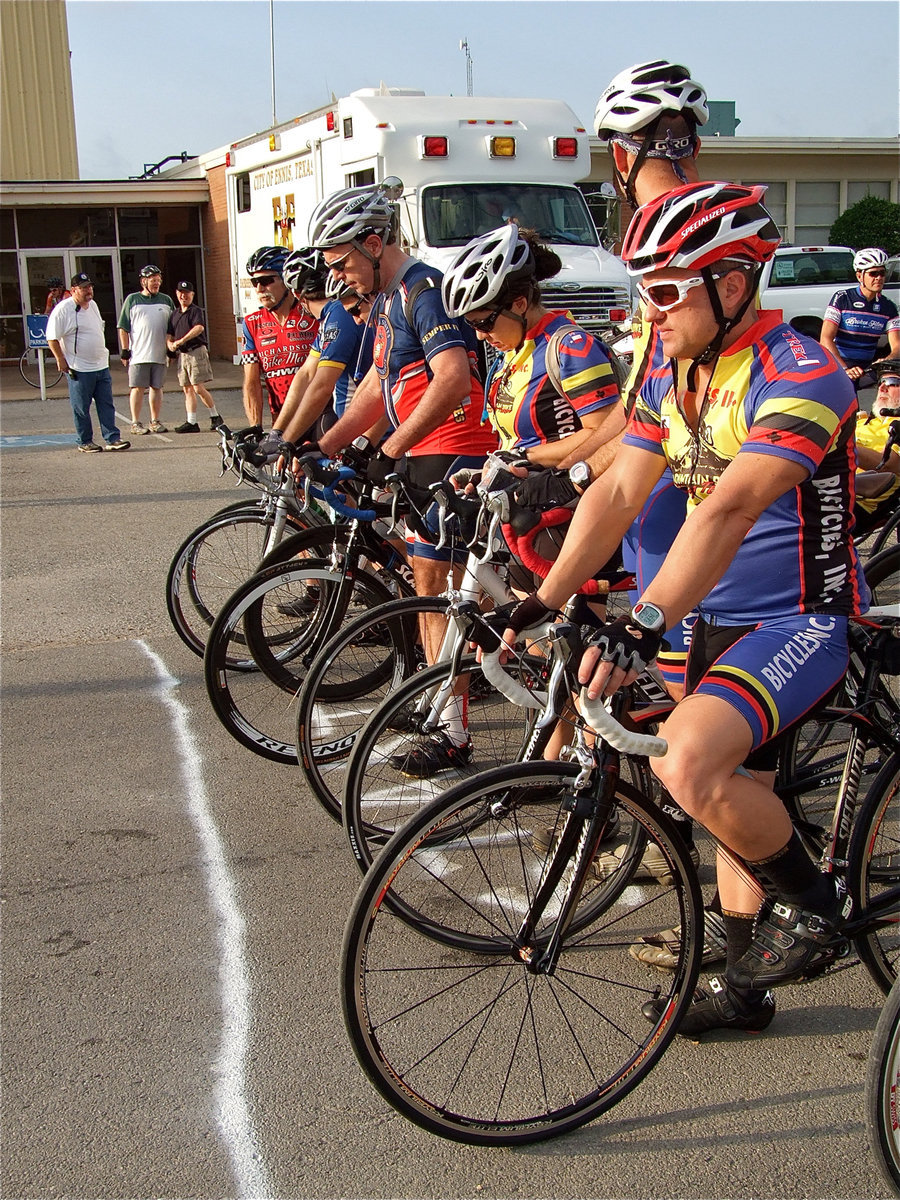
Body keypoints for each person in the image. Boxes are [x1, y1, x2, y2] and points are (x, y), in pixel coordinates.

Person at [503, 182, 865, 1037]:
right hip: (707, 616)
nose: (650, 309)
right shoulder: (671, 372)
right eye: (645, 289)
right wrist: (538, 601)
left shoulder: (802, 371)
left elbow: (729, 509)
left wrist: (645, 620)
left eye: (666, 290)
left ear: (732, 285)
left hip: (796, 618)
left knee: (688, 762)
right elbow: (620, 492)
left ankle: (816, 907)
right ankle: (744, 990)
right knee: (728, 794)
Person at [308, 183, 499, 771]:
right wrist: (328, 445)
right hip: (424, 451)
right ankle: (443, 707)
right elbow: (378, 385)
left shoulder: (424, 290)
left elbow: (453, 378)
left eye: (341, 262)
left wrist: (388, 448)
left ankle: (453, 726)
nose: (337, 276)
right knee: (429, 590)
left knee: (446, 593)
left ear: (373, 243)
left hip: (455, 452)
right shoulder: (390, 299)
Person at [254, 249, 371, 461]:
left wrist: (287, 442)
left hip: (363, 430)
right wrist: (277, 433)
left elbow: (321, 387)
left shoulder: (339, 316)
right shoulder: (329, 317)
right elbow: (306, 374)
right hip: (355, 426)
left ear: (296, 294)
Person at [46, 272, 130, 453]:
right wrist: (60, 359)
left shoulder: (93, 305)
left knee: (106, 404)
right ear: (73, 290)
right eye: (84, 288)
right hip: (79, 368)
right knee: (81, 407)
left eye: (90, 287)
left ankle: (112, 438)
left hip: (101, 365)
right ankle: (85, 441)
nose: (88, 290)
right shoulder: (63, 310)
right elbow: (52, 337)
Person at [240, 245, 318, 426]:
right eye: (254, 282)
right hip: (281, 421)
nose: (259, 288)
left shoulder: (313, 315)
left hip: (319, 416)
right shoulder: (252, 323)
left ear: (287, 280)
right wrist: (255, 427)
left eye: (266, 280)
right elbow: (252, 382)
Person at [820, 248, 900, 389]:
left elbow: (897, 345)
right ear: (859, 276)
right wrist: (845, 369)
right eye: (873, 273)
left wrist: (887, 360)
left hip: (868, 368)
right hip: (841, 365)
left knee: (892, 382)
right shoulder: (842, 298)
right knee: (847, 396)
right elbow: (825, 338)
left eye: (882, 273)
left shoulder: (888, 307)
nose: (879, 278)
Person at [166, 281, 229, 435]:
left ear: (192, 295)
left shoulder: (196, 311)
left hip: (196, 352)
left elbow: (199, 328)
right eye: (181, 293)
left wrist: (181, 341)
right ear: (177, 294)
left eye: (187, 293)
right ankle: (192, 422)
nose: (184, 296)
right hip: (183, 355)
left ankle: (215, 416)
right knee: (187, 388)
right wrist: (170, 345)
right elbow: (169, 334)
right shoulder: (174, 314)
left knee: (198, 387)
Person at [117, 265, 174, 435]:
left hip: (159, 354)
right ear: (144, 282)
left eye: (158, 280)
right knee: (137, 388)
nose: (156, 283)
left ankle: (155, 421)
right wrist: (125, 350)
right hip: (139, 355)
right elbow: (123, 327)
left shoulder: (166, 300)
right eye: (153, 280)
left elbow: (172, 327)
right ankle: (135, 423)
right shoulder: (132, 300)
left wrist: (171, 348)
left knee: (157, 388)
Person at [853, 358, 900, 536]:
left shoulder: (897, 426)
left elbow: (888, 464)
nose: (882, 387)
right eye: (881, 382)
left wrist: (841, 445)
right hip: (820, 483)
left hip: (854, 500)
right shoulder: (862, 420)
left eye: (892, 382)